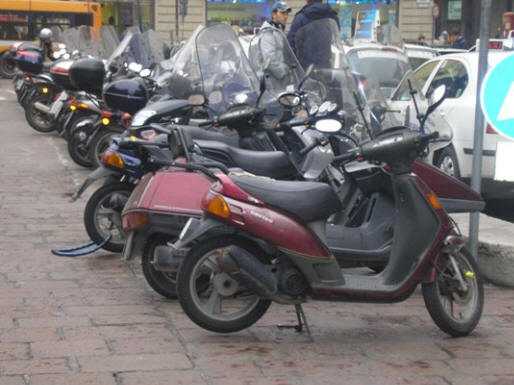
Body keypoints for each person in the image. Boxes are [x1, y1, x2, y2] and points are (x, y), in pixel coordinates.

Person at [287, 0, 339, 69]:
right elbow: (337, 38)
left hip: (306, 69)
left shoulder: (301, 17)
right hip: (326, 68)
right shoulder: (332, 16)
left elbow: (291, 46)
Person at [258, 2, 292, 89]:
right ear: (273, 14)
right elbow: (269, 59)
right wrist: (284, 71)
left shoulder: (278, 30)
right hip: (272, 80)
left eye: (287, 14)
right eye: (282, 13)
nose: (286, 16)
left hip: (279, 80)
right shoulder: (268, 32)